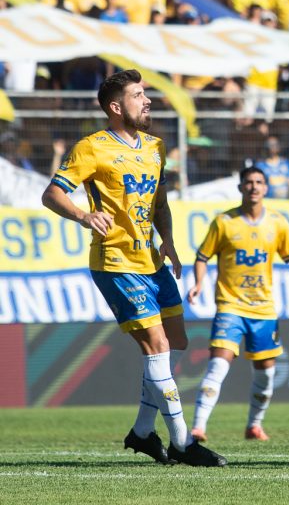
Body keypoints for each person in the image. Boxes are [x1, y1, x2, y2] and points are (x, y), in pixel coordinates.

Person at [41, 70, 226, 467]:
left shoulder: (156, 147)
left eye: (146, 94)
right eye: (138, 95)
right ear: (115, 107)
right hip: (116, 261)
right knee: (156, 346)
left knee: (175, 342)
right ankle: (182, 442)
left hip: (151, 260)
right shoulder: (92, 147)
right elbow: (52, 194)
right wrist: (83, 215)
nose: (148, 101)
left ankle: (142, 433)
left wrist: (169, 240)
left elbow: (159, 202)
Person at [186, 166, 289, 442]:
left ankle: (254, 426)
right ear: (240, 188)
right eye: (248, 182)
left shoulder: (277, 223)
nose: (254, 187)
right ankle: (198, 427)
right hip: (230, 306)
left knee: (266, 373)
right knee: (218, 365)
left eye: (259, 182)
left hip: (263, 310)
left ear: (266, 188)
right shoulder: (224, 222)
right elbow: (202, 257)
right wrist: (199, 283)